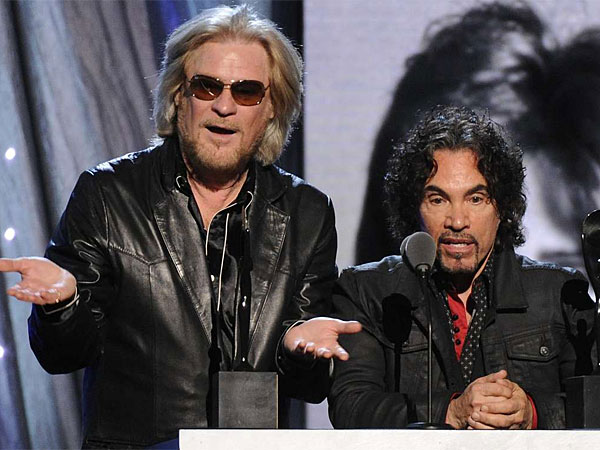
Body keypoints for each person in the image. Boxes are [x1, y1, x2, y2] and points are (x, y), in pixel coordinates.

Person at [0, 5, 359, 447]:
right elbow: (62, 355)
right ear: (177, 95)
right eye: (207, 86)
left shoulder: (307, 213)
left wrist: (298, 352)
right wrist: (62, 305)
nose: (224, 106)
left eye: (247, 91)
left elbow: (311, 384)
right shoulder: (109, 195)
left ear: (272, 108)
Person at [328, 105, 594, 429]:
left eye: (476, 199)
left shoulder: (558, 294)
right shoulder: (368, 292)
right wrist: (451, 411)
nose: (457, 221)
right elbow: (351, 407)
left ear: (503, 208)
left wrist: (532, 413)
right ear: (414, 208)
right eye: (438, 199)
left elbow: (593, 406)